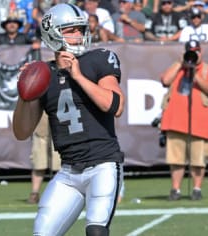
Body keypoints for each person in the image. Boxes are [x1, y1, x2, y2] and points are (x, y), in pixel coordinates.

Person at [12, 3, 125, 235]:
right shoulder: (43, 74)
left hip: (102, 164)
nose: (78, 35)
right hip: (68, 173)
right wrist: (25, 94)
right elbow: (22, 132)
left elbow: (115, 105)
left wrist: (79, 77)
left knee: (96, 231)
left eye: (80, 30)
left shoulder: (98, 60)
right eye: (70, 30)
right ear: (52, 33)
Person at [160, 40, 208, 200]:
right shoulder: (178, 67)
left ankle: (197, 189)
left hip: (200, 124)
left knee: (198, 160)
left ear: (201, 52)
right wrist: (180, 63)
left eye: (197, 51)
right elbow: (165, 80)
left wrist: (195, 74)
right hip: (175, 122)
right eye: (190, 51)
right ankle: (175, 189)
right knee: (176, 159)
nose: (194, 54)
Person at [27, 112, 61, 204]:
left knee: (60, 165)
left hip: (60, 123)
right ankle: (34, 193)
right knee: (39, 163)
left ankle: (60, 193)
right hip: (41, 121)